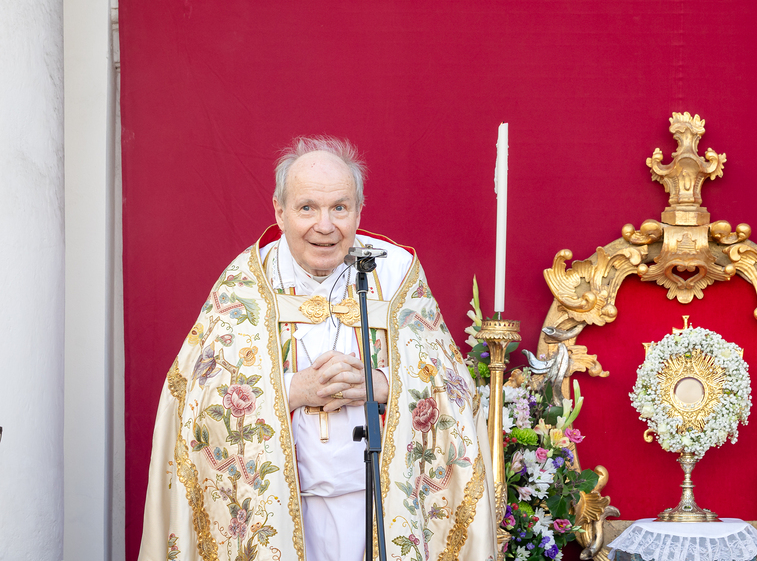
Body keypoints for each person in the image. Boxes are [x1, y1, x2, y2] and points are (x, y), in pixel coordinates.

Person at [139, 137, 497, 561]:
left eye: (339, 208)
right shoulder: (246, 283)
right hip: (277, 512)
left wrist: (382, 384)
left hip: (380, 508)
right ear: (280, 211)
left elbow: (453, 388)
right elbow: (195, 401)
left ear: (359, 211)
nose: (324, 226)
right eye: (307, 207)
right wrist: (293, 389)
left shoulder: (396, 273)